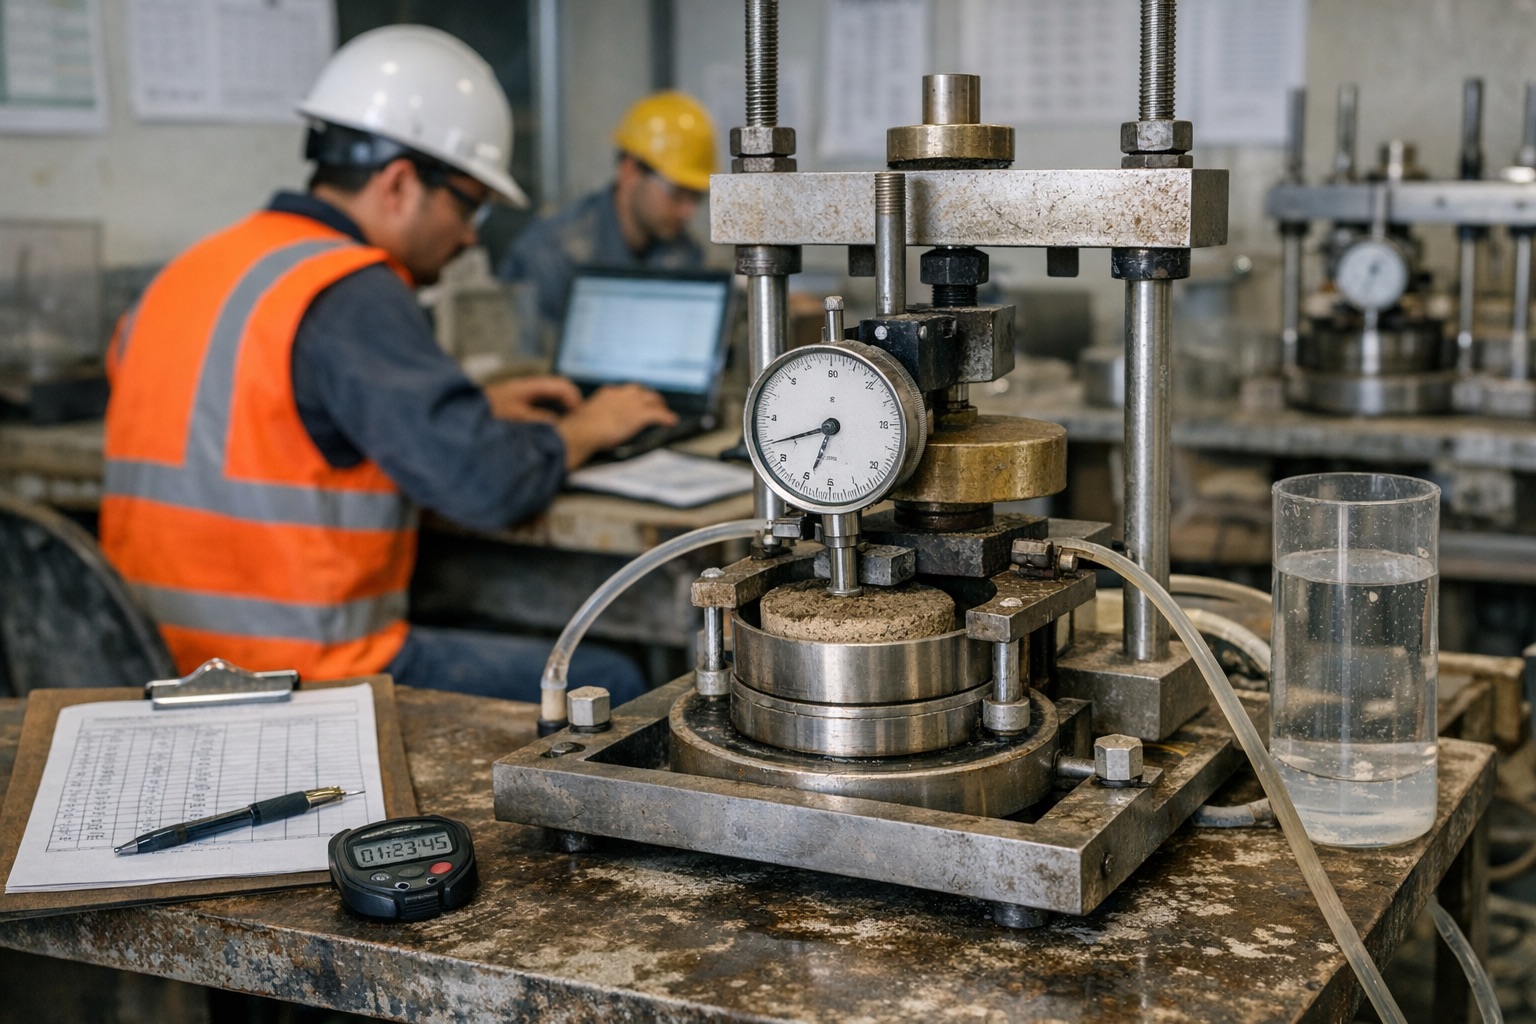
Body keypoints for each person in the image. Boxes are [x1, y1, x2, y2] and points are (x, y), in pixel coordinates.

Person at [99, 26, 677, 705]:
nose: (469, 235)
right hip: (292, 678)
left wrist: (473, 408)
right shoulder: (350, 288)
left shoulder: (197, 268)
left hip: (150, 661)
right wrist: (590, 427)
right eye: (469, 204)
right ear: (400, 184)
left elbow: (256, 416)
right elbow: (485, 483)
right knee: (617, 683)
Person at [499, 90, 715, 330]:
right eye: (677, 193)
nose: (688, 212)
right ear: (630, 172)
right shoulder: (551, 254)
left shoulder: (682, 251)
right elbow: (525, 362)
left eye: (696, 197)